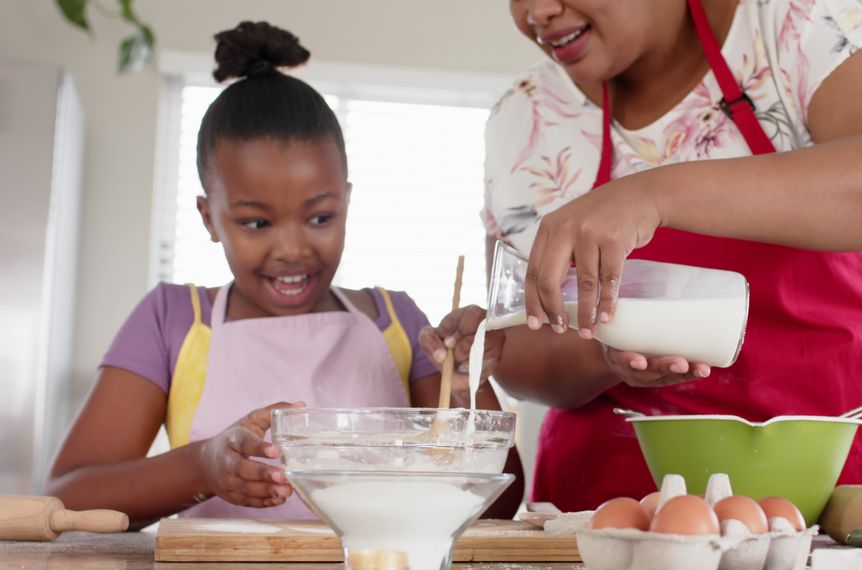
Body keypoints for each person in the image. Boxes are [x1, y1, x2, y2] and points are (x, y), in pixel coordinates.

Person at [421, 0, 862, 512]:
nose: (536, 12)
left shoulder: (788, 22)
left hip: (842, 485)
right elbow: (521, 350)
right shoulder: (525, 117)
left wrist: (652, 196)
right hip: (619, 509)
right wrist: (605, 356)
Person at [46, 21, 523, 527]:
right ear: (210, 218)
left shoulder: (401, 324)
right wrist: (204, 466)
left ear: (347, 201)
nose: (292, 249)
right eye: (256, 222)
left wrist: (467, 389)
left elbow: (497, 506)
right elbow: (67, 497)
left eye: (320, 217)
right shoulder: (172, 321)